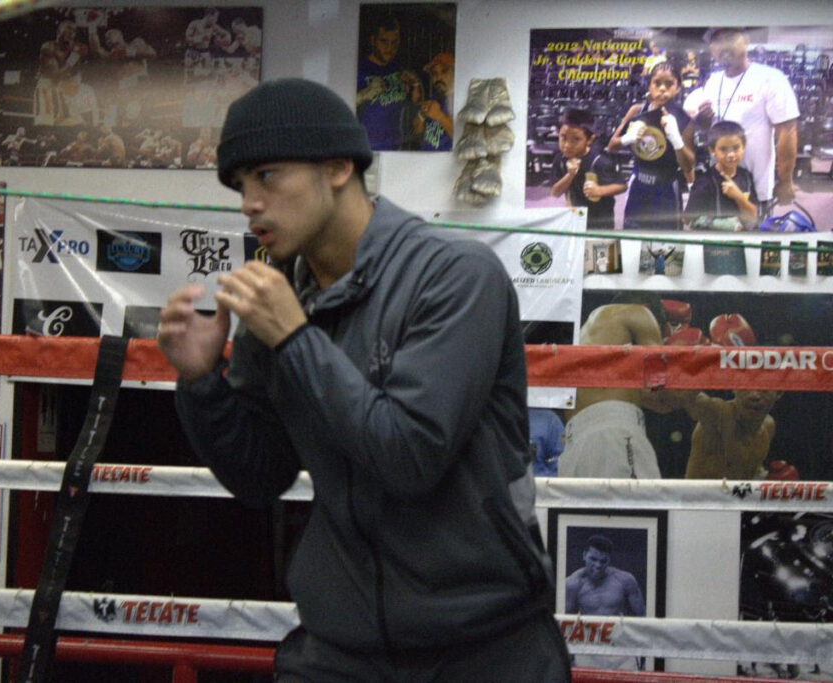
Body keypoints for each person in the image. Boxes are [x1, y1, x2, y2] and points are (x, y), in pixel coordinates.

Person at [157, 78, 570, 681]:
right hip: (341, 644)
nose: (249, 202)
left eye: (267, 176)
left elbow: (410, 456)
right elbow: (259, 477)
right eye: (240, 185)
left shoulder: (455, 275)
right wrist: (201, 383)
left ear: (337, 168)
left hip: (482, 644)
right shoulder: (283, 298)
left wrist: (296, 339)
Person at [557, 293, 675, 479]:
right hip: (613, 436)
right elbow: (659, 388)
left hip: (575, 442)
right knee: (636, 499)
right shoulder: (640, 312)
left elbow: (658, 402)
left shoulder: (589, 336)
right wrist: (693, 365)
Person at [686, 27, 800, 214]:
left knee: (754, 231)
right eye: (716, 42)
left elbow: (787, 131)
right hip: (719, 187)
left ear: (746, 40)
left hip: (755, 188)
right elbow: (710, 129)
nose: (723, 46)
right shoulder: (713, 81)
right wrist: (703, 119)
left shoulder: (770, 78)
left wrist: (785, 180)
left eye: (729, 38)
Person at [608, 62, 695, 230]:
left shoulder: (684, 118)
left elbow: (688, 165)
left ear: (677, 88)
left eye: (669, 84)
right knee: (632, 240)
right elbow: (612, 146)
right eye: (657, 83)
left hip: (667, 189)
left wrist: (676, 139)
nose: (662, 88)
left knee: (666, 244)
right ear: (649, 85)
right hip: (638, 186)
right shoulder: (637, 111)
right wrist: (628, 138)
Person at [564, 535, 647, 670]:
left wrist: (642, 656)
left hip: (620, 648)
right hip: (588, 648)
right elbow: (566, 624)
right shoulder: (573, 584)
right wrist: (569, 657)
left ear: (609, 559)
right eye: (593, 559)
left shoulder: (625, 580)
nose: (598, 565)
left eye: (603, 561)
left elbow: (642, 619)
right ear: (584, 555)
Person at [550, 108, 625, 230]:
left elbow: (622, 185)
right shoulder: (560, 158)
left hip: (600, 222)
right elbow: (555, 193)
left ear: (590, 140)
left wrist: (600, 190)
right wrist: (570, 175)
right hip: (575, 219)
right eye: (563, 137)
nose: (567, 145)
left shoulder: (600, 161)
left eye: (576, 139)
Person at [355, 16, 421, 151]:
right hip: (366, 149)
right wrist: (362, 95)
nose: (390, 48)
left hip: (398, 147)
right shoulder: (358, 68)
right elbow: (338, 110)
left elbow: (416, 105)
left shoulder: (399, 67)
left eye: (394, 42)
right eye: (384, 41)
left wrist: (416, 86)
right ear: (373, 40)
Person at [685, 120, 758, 231]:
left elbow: (753, 215)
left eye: (736, 148)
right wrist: (725, 225)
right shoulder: (705, 181)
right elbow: (688, 219)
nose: (731, 154)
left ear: (744, 147)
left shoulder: (746, 177)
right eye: (723, 149)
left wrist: (738, 196)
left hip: (742, 239)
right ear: (712, 150)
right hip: (713, 240)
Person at [416, 52, 454, 151]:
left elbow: (461, 136)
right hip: (426, 156)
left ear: (454, 72)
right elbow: (417, 130)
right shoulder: (435, 96)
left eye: (444, 71)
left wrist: (439, 116)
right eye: (434, 73)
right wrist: (421, 115)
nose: (439, 77)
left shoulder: (459, 98)